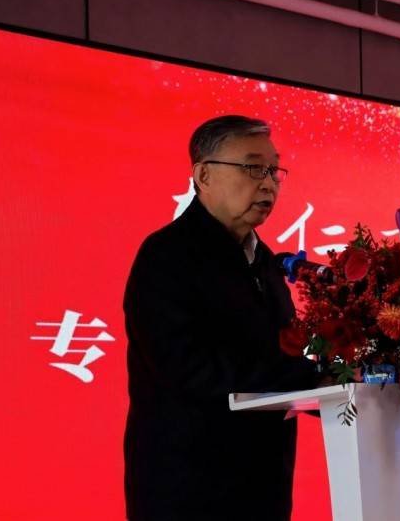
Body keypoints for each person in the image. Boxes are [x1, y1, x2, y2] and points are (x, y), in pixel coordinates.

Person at [123, 115, 317, 520]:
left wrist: (347, 385)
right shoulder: (166, 256)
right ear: (204, 175)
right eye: (253, 168)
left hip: (263, 488)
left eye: (274, 171)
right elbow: (187, 369)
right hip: (189, 490)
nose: (268, 183)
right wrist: (311, 379)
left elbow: (279, 360)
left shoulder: (266, 263)